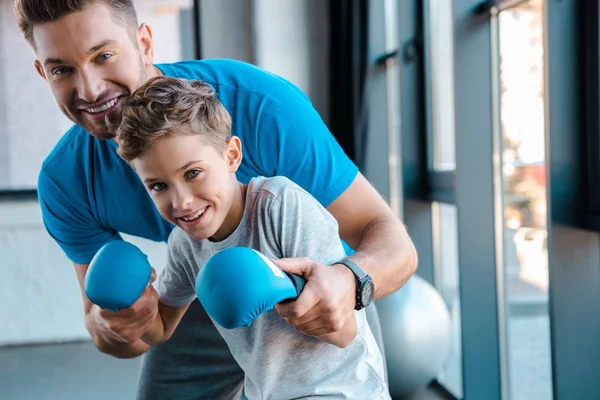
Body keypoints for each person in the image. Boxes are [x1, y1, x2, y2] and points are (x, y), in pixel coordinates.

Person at [13, 0, 418, 398]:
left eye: (103, 55)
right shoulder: (66, 181)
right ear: (42, 73)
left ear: (145, 43)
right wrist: (117, 324)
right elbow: (124, 334)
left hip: (307, 281)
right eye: (62, 69)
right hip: (203, 279)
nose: (90, 89)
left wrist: (348, 282)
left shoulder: (263, 108)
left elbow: (392, 244)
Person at [111, 75, 391, 399]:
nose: (181, 202)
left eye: (192, 174)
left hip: (341, 389)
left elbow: (345, 334)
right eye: (158, 186)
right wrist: (134, 304)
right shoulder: (185, 245)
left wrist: (284, 290)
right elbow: (160, 328)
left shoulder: (281, 206)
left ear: (231, 156)